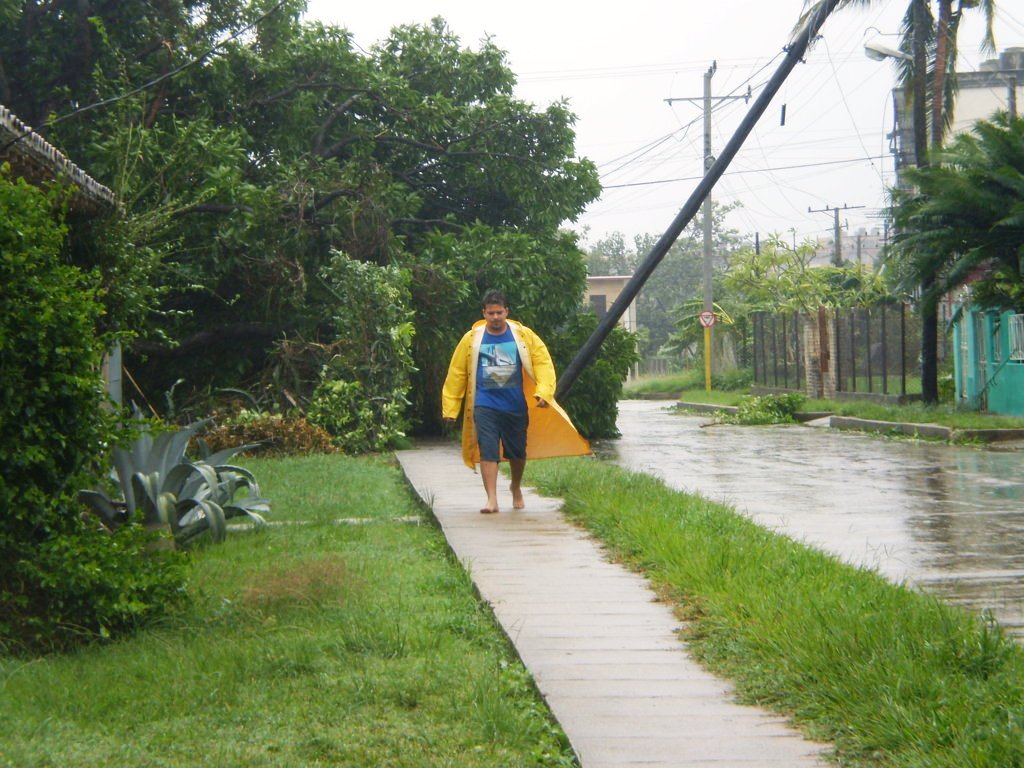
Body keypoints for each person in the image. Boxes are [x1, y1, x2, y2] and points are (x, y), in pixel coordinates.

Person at [441, 289, 590, 514]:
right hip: (484, 404)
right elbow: (457, 373)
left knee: (517, 453)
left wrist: (543, 392)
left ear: (506, 312)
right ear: (484, 313)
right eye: (491, 313)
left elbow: (542, 363)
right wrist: (450, 409)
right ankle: (491, 499)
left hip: (514, 405)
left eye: (499, 312)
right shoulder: (472, 339)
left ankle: (516, 486)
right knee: (488, 450)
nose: (495, 317)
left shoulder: (523, 336)